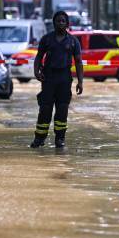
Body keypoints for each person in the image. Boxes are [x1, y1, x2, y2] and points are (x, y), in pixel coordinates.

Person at [30, 11, 84, 151]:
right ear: (54, 23)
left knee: (62, 109)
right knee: (45, 109)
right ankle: (39, 138)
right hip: (49, 78)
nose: (60, 23)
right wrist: (36, 72)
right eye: (58, 21)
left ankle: (60, 139)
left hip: (65, 78)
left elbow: (78, 62)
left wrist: (80, 82)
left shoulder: (73, 41)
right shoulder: (46, 39)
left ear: (67, 24)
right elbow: (39, 56)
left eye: (63, 21)